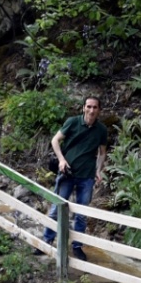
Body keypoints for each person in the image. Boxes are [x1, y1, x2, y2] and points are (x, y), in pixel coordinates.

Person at [43, 96, 107, 260]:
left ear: (99, 110)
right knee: (57, 207)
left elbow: (102, 152)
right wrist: (62, 160)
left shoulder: (101, 130)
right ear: (83, 107)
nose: (91, 110)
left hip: (86, 177)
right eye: (89, 107)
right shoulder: (72, 122)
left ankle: (77, 246)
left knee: (81, 214)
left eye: (95, 107)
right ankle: (46, 241)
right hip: (68, 173)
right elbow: (55, 140)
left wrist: (98, 170)